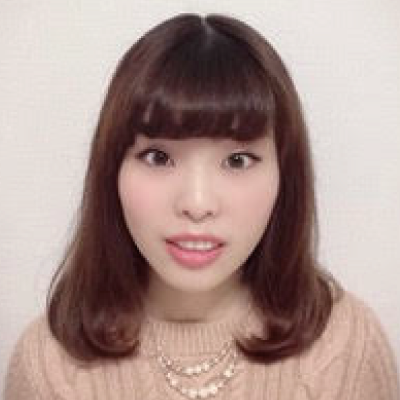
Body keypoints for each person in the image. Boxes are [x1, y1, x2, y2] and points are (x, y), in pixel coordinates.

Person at [4, 13, 399, 400]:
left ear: (285, 175)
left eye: (237, 161)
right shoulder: (48, 366)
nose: (197, 204)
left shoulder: (347, 348)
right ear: (112, 171)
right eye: (158, 157)